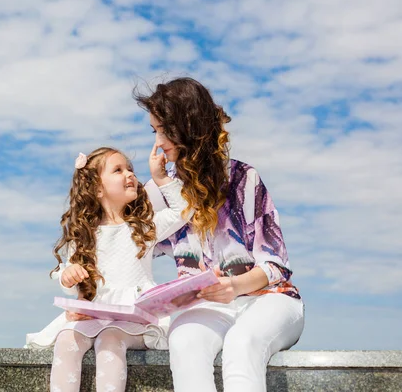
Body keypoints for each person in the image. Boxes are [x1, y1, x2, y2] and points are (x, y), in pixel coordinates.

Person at [137, 77, 305, 392]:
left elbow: (276, 265)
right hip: (206, 306)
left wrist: (235, 286)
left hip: (268, 299)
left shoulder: (244, 179)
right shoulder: (159, 189)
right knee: (185, 341)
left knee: (242, 344)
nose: (158, 143)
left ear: (188, 126)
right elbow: (127, 243)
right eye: (154, 131)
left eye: (163, 130)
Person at [25, 145, 191, 392]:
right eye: (118, 170)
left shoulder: (144, 229)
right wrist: (69, 277)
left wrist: (161, 177)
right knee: (66, 339)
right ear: (97, 188)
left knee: (110, 339)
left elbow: (183, 210)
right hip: (92, 315)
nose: (130, 174)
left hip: (134, 318)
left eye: (130, 169)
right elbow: (68, 276)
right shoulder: (83, 236)